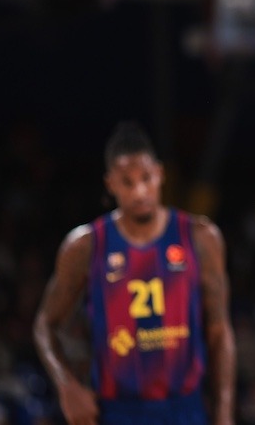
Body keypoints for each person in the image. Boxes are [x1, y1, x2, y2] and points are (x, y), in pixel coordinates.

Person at [32, 123, 236, 425]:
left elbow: (219, 331)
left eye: (146, 178)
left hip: (186, 409)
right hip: (116, 411)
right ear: (110, 184)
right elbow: (45, 325)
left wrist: (224, 412)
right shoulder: (85, 245)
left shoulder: (200, 237)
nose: (140, 191)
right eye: (127, 182)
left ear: (160, 174)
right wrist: (66, 385)